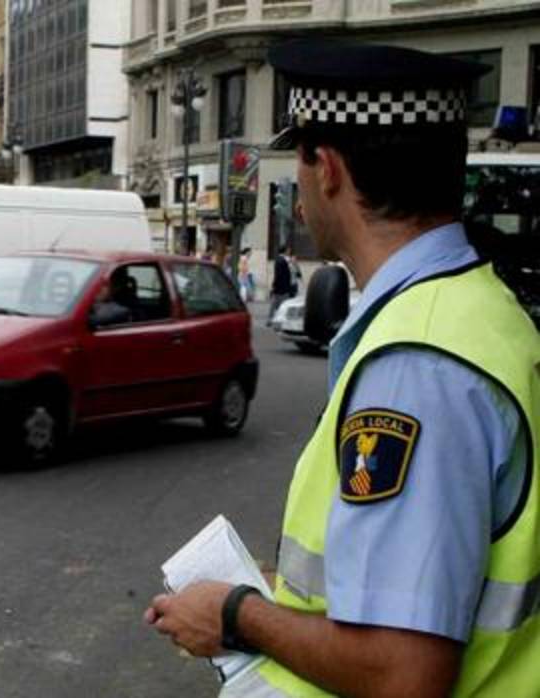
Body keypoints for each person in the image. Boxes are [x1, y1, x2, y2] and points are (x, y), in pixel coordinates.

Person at [144, 40, 540, 697]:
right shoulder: (481, 309)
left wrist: (236, 616)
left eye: (299, 159)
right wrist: (287, 603)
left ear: (326, 169)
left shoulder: (417, 365)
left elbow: (402, 676)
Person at [268, 245, 294, 326]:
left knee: (276, 304)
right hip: (282, 286)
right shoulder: (282, 261)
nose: (289, 252)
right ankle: (273, 320)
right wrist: (275, 285)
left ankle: (272, 320)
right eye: (288, 250)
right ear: (285, 251)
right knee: (281, 304)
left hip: (280, 286)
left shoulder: (279, 260)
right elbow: (280, 275)